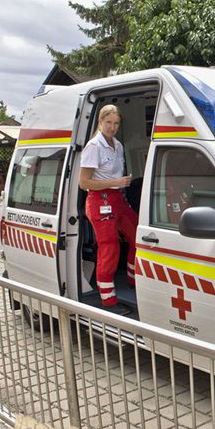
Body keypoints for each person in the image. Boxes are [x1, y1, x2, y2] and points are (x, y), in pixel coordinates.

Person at [79, 105, 137, 311]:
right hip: (99, 200)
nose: (112, 127)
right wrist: (116, 182)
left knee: (139, 237)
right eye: (108, 123)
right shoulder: (93, 146)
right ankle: (108, 300)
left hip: (117, 198)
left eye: (116, 123)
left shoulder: (118, 145)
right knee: (110, 247)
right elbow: (84, 183)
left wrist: (120, 184)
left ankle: (133, 279)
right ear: (100, 123)